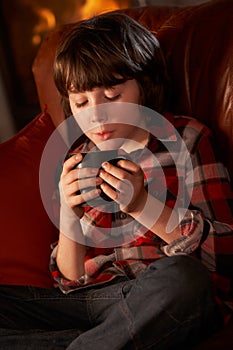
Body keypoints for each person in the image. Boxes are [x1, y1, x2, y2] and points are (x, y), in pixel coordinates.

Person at [0, 12, 233, 350]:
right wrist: (68, 214)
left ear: (145, 85)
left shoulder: (186, 139)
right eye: (81, 102)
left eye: (112, 96)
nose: (96, 114)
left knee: (186, 281)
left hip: (163, 294)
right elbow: (69, 276)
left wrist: (142, 204)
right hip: (92, 303)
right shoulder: (76, 157)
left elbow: (224, 256)